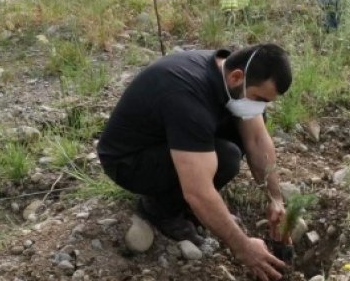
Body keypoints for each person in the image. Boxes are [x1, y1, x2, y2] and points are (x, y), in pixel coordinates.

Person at [97, 45, 293, 281]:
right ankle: (160, 210)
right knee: (227, 158)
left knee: (238, 135)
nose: (260, 107)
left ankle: (197, 207)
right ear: (236, 77)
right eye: (259, 99)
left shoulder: (228, 75)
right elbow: (197, 192)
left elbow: (257, 139)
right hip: (130, 160)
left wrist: (275, 199)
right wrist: (243, 247)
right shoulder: (188, 97)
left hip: (168, 138)